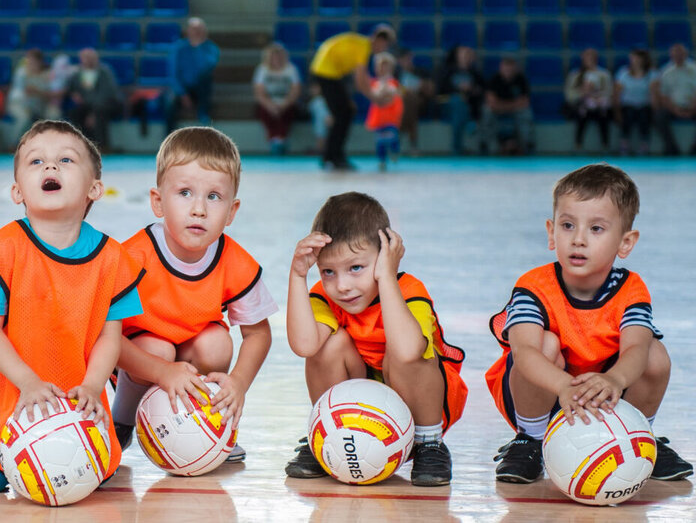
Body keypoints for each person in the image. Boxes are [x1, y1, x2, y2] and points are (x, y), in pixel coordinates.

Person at [0, 120, 144, 493]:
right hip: (11, 392)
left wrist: (93, 385)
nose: (50, 167)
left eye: (66, 160)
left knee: (97, 478)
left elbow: (108, 338)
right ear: (18, 192)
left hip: (71, 396)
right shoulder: (2, 250)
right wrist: (29, 383)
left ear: (94, 189)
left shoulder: (114, 259)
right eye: (36, 162)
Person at [484, 164, 692, 484]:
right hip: (543, 394)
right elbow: (524, 353)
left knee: (653, 353)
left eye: (596, 229)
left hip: (606, 392)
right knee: (545, 345)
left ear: (625, 243)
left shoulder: (632, 289)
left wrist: (613, 379)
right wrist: (563, 385)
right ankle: (530, 440)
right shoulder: (533, 286)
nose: (578, 239)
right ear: (552, 233)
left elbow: (636, 346)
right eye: (568, 226)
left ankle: (636, 431)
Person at [109, 126, 275, 463]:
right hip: (135, 354)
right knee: (158, 347)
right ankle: (122, 420)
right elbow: (103, 335)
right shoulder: (131, 257)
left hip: (192, 352)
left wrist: (238, 383)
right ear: (158, 201)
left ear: (232, 211)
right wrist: (160, 371)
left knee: (217, 343)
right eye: (185, 193)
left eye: (214, 197)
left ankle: (204, 422)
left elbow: (258, 334)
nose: (199, 209)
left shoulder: (235, 261)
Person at [285, 192, 467, 487]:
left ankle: (430, 445)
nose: (342, 286)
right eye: (328, 271)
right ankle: (331, 431)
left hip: (421, 404)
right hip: (363, 403)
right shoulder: (324, 294)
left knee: (407, 352)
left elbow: (409, 351)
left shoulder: (407, 289)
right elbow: (304, 345)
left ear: (385, 257)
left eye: (356, 268)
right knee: (327, 345)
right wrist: (297, 275)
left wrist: (387, 278)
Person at [309, 25, 394, 171]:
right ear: (378, 40)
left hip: (328, 71)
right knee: (344, 113)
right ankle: (335, 157)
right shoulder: (363, 47)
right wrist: (375, 98)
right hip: (326, 71)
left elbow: (363, 78)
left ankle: (330, 155)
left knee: (345, 112)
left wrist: (372, 95)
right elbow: (360, 81)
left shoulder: (361, 45)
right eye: (385, 44)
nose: (384, 49)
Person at [167, 17, 220, 132]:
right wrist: (183, 94)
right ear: (188, 31)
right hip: (182, 88)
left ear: (204, 31)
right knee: (169, 102)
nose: (196, 32)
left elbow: (206, 68)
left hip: (201, 89)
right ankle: (168, 138)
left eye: (199, 29)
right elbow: (173, 74)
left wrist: (198, 47)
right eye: (193, 29)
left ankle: (204, 118)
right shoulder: (178, 48)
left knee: (206, 81)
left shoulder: (211, 48)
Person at [65, 47, 122, 151]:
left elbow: (106, 94)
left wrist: (92, 113)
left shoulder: (104, 72)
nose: (88, 60)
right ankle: (82, 145)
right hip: (86, 105)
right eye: (85, 58)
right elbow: (71, 88)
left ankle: (102, 146)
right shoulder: (77, 73)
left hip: (106, 104)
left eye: (91, 57)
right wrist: (74, 94)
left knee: (99, 113)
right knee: (75, 113)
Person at [434, 45, 485, 156]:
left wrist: (471, 90)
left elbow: (482, 90)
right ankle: (467, 126)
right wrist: (458, 89)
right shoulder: (446, 70)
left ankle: (458, 147)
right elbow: (439, 91)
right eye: (464, 54)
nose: (467, 57)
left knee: (461, 106)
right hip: (445, 101)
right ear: (457, 56)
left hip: (467, 104)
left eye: (469, 54)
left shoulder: (474, 72)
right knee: (457, 101)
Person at [252, 43, 301, 155]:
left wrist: (284, 104)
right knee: (266, 112)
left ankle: (281, 139)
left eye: (279, 56)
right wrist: (270, 105)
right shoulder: (262, 70)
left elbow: (295, 91)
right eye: (274, 56)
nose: (276, 59)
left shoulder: (291, 69)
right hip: (269, 102)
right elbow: (259, 93)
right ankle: (275, 139)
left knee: (287, 112)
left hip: (286, 102)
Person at [480, 57, 534, 156]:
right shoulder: (494, 79)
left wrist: (502, 105)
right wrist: (513, 105)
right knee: (486, 111)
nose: (508, 71)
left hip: (513, 110)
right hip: (498, 110)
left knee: (526, 112)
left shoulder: (521, 79)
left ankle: (526, 145)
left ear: (515, 69)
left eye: (511, 68)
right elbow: (491, 103)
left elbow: (525, 102)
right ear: (501, 68)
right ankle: (489, 146)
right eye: (506, 68)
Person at [650, 43, 696, 156]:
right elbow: (664, 96)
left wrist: (693, 108)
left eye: (680, 53)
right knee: (659, 116)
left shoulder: (694, 69)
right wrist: (675, 110)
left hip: (693, 105)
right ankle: (671, 146)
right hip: (673, 107)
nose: (678, 56)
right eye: (675, 53)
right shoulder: (666, 72)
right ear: (671, 55)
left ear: (686, 54)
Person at [566, 48, 614, 153]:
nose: (589, 60)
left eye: (591, 57)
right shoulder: (575, 75)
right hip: (581, 105)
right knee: (582, 115)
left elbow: (609, 92)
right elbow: (569, 94)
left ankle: (605, 145)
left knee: (603, 115)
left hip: (600, 105)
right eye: (586, 57)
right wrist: (583, 94)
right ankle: (578, 144)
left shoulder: (604, 74)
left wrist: (598, 98)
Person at [613, 48, 657, 156]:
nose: (635, 61)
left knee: (644, 115)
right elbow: (617, 93)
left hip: (644, 105)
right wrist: (616, 110)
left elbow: (653, 94)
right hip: (628, 105)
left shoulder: (652, 74)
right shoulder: (623, 73)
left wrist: (656, 109)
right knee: (628, 114)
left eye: (637, 58)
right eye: (633, 58)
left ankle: (644, 144)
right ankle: (624, 144)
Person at [364, 52, 403, 170]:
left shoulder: (394, 83)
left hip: (391, 117)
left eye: (385, 66)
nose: (382, 69)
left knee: (392, 137)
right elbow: (376, 93)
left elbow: (394, 92)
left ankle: (395, 150)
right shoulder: (375, 83)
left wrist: (386, 87)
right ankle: (382, 160)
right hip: (379, 118)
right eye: (380, 66)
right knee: (380, 141)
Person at [6, 48, 52, 141]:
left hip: (36, 106)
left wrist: (38, 91)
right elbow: (25, 92)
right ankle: (11, 145)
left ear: (39, 62)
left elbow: (47, 94)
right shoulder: (21, 72)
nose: (30, 62)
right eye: (29, 60)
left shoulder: (46, 74)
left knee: (50, 117)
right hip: (17, 104)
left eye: (33, 61)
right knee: (24, 119)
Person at [397, 48, 433, 156]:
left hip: (421, 104)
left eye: (408, 58)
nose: (407, 61)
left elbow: (431, 90)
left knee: (410, 99)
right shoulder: (395, 74)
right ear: (399, 61)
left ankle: (398, 138)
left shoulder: (421, 71)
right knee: (407, 101)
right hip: (401, 106)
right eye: (404, 59)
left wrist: (421, 85)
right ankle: (413, 144)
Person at [306, 81, 331, 156]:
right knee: (318, 103)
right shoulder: (314, 75)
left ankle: (320, 145)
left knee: (322, 104)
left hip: (330, 105)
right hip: (310, 105)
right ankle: (322, 144)